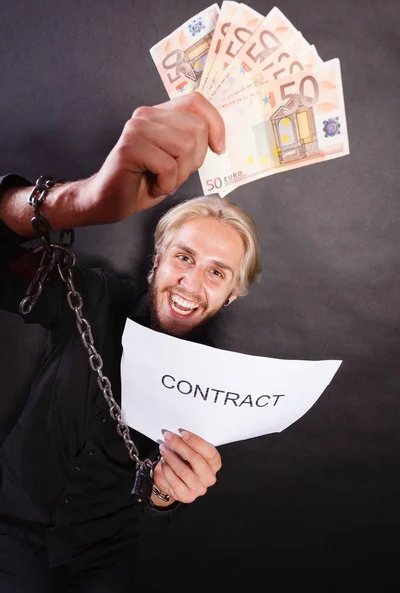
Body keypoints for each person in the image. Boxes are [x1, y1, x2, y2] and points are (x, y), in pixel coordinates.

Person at [0, 92, 261, 592]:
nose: (191, 283)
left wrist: (167, 494)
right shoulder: (90, 296)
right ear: (157, 260)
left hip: (105, 553)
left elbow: (162, 507)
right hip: (11, 527)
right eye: (183, 258)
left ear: (230, 296)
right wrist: (77, 202)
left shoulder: (221, 390)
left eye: (216, 272)